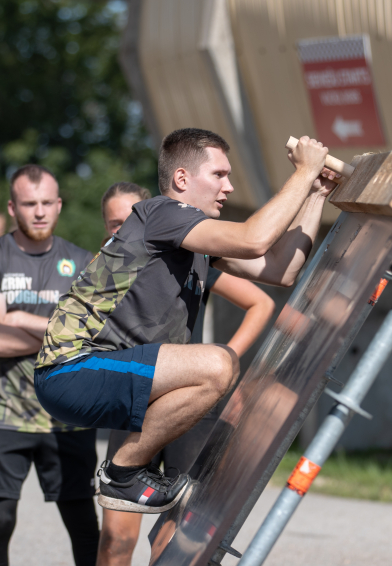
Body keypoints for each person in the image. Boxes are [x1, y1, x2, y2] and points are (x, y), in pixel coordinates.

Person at [32, 128, 337, 514]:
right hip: (71, 369)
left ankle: (130, 472)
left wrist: (315, 194)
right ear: (181, 178)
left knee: (218, 367)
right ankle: (122, 475)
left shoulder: (194, 240)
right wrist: (303, 172)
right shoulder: (162, 212)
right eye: (219, 175)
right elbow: (254, 239)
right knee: (218, 364)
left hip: (113, 370)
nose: (228, 187)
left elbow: (280, 269)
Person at [95, 181, 276, 565]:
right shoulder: (104, 268)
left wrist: (226, 360)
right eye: (114, 223)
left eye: (130, 218)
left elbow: (260, 303)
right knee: (115, 538)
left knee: (177, 537)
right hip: (135, 403)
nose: (123, 228)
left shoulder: (192, 255)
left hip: (191, 407)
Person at [0, 164, 101, 566]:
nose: (39, 212)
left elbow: (95, 336)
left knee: (82, 522)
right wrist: (60, 336)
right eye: (29, 204)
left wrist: (20, 318)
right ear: (13, 208)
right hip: (2, 410)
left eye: (46, 203)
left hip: (69, 414)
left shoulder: (83, 262)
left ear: (58, 205)